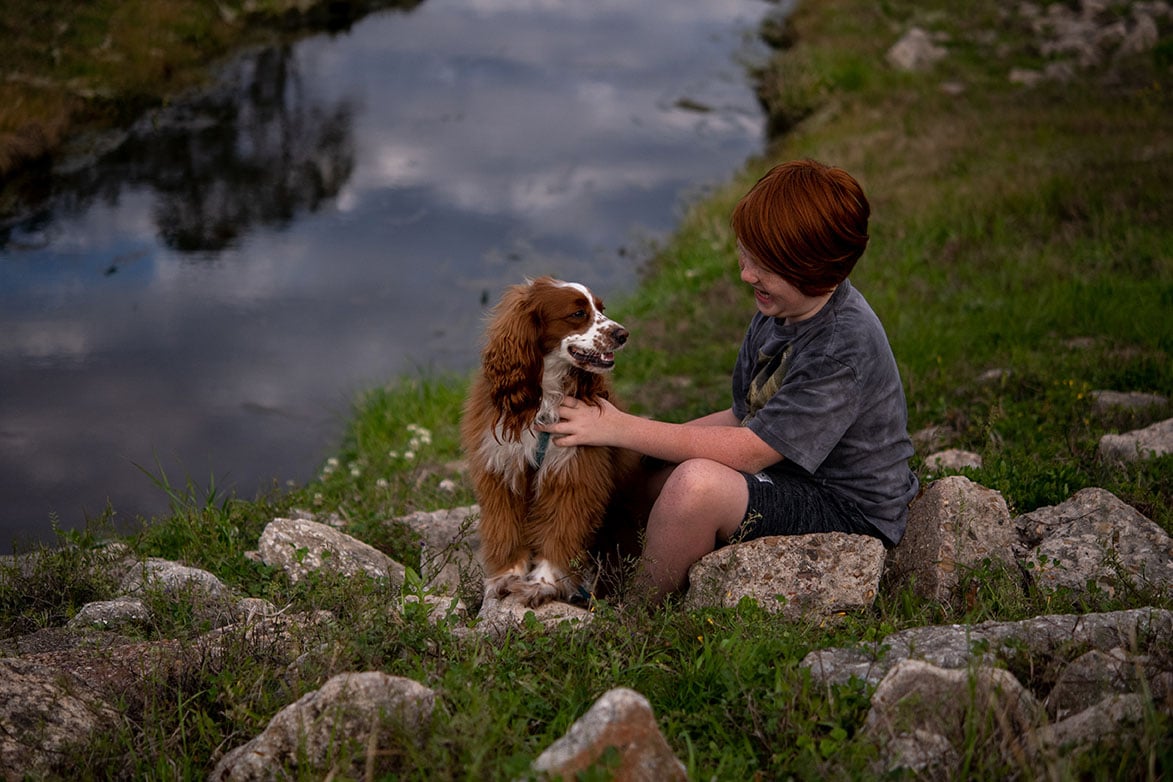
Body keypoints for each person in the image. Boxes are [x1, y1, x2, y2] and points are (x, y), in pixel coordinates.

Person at [542, 159, 919, 604]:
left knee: (694, 489)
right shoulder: (778, 311)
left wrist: (620, 426)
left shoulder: (841, 344)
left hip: (845, 505)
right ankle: (602, 572)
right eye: (746, 254)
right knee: (643, 470)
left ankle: (635, 615)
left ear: (826, 274)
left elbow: (750, 449)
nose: (747, 274)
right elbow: (742, 415)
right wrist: (635, 446)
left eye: (767, 266)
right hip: (790, 471)